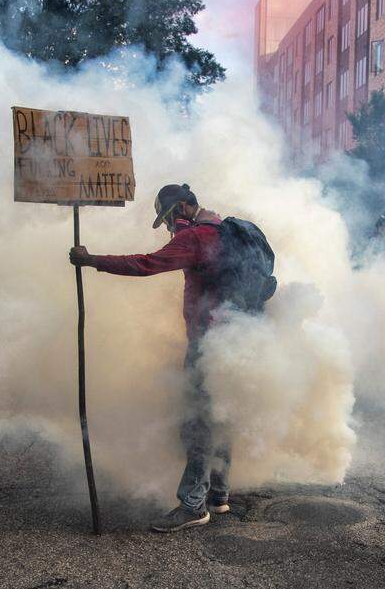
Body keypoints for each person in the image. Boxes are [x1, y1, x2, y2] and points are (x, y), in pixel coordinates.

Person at [69, 184, 233, 533]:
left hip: (209, 344)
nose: (171, 225)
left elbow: (147, 264)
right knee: (221, 415)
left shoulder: (196, 237)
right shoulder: (224, 228)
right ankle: (219, 495)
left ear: (187, 207)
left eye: (172, 216)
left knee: (198, 424)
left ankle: (193, 504)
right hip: (238, 342)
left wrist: (92, 260)